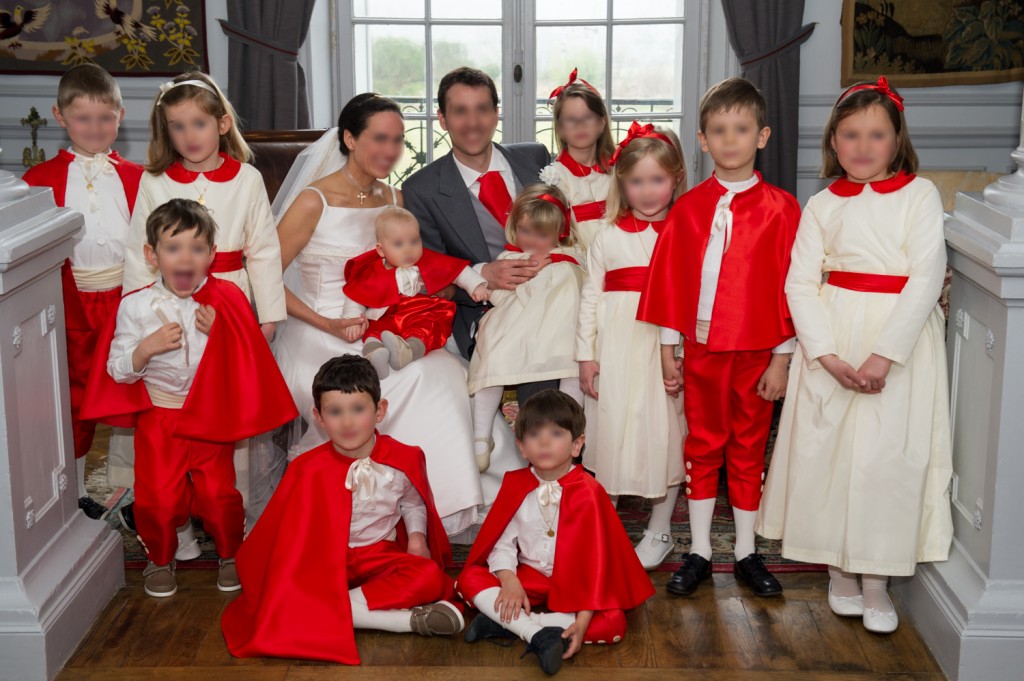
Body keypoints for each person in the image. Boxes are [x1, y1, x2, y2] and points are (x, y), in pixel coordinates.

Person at [273, 93, 520, 537]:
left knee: (445, 373)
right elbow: (267, 279)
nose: (390, 151)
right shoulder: (314, 201)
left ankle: (452, 500)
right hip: (321, 324)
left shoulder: (395, 197)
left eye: (398, 141)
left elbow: (420, 266)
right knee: (394, 382)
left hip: (389, 324)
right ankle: (380, 510)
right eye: (379, 139)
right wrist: (330, 323)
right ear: (349, 138)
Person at [756, 76, 953, 634]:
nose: (863, 146)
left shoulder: (920, 195)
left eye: (876, 135)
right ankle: (838, 569)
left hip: (899, 339)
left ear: (897, 140)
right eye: (851, 134)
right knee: (830, 454)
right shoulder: (820, 204)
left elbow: (925, 278)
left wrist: (883, 356)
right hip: (834, 334)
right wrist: (824, 354)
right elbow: (799, 283)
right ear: (834, 141)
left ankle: (877, 579)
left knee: (885, 460)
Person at [81, 199, 297, 598]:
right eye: (173, 247)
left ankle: (231, 552)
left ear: (211, 256)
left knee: (219, 495)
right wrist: (145, 349)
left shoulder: (228, 298)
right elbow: (117, 368)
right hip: (159, 418)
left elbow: (248, 364)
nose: (185, 257)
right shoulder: (135, 306)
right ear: (152, 255)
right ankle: (161, 558)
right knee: (159, 497)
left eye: (197, 248)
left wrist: (223, 334)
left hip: (210, 419)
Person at [638, 78, 800, 598]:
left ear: (762, 135)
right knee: (702, 445)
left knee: (750, 448)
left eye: (741, 129)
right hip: (702, 347)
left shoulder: (782, 209)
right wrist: (669, 349)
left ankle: (748, 551)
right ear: (703, 140)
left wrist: (783, 359)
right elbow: (671, 281)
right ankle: (702, 550)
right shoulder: (686, 210)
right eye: (718, 130)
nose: (730, 140)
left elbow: (790, 288)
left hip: (758, 350)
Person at [116, 71, 287, 541]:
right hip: (169, 301)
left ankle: (233, 513)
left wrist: (267, 318)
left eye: (199, 124)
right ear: (164, 130)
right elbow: (139, 250)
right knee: (174, 413)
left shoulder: (247, 178)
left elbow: (264, 248)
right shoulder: (155, 180)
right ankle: (180, 519)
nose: (190, 136)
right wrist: (143, 311)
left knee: (226, 412)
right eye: (177, 126)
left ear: (223, 123)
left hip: (229, 301)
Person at [222, 355, 463, 664]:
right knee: (283, 594)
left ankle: (328, 609)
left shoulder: (404, 457)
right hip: (323, 561)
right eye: (335, 412)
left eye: (358, 409)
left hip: (378, 555)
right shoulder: (307, 468)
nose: (347, 423)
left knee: (429, 577)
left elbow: (412, 501)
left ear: (380, 411)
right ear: (319, 417)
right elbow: (290, 535)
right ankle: (404, 622)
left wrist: (417, 538)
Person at [458, 390, 655, 676]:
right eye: (535, 434)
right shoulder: (515, 484)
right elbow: (502, 543)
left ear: (577, 445)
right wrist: (509, 579)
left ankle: (515, 625)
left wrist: (584, 617)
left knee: (613, 622)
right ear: (522, 447)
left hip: (577, 585)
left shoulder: (589, 492)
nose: (545, 441)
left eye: (556, 433)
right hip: (530, 579)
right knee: (469, 578)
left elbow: (595, 565)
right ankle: (540, 631)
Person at [21, 63, 143, 520]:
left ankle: (134, 493)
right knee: (70, 400)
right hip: (67, 302)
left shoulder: (138, 178)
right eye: (83, 118)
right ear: (60, 116)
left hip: (127, 299)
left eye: (105, 117)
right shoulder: (37, 183)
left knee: (133, 397)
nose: (95, 128)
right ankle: (69, 490)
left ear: (120, 115)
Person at [576, 122, 686, 571]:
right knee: (612, 428)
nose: (647, 191)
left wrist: (677, 352)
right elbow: (590, 297)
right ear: (621, 182)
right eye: (637, 181)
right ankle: (604, 520)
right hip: (618, 345)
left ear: (676, 178)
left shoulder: (683, 231)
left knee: (665, 430)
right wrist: (587, 353)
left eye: (657, 180)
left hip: (664, 346)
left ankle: (660, 529)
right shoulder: (607, 235)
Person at [402, 67, 550, 375]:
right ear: (442, 118)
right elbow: (432, 273)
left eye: (482, 109)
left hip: (554, 299)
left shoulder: (535, 159)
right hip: (484, 314)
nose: (472, 123)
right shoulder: (422, 189)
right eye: (460, 112)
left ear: (496, 113)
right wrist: (481, 274)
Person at [468, 186, 585, 473]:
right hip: (522, 334)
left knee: (573, 372)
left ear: (559, 232)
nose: (532, 241)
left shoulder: (573, 257)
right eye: (525, 231)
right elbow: (500, 295)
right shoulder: (511, 259)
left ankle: (572, 438)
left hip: (564, 335)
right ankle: (480, 437)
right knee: (492, 362)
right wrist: (495, 281)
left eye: (542, 235)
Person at [341, 206, 489, 377]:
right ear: (381, 250)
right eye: (398, 244)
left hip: (423, 310)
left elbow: (457, 271)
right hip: (389, 313)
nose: (408, 249)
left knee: (426, 328)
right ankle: (375, 353)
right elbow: (357, 294)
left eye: (414, 241)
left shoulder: (428, 259)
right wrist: (352, 320)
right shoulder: (374, 270)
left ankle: (409, 350)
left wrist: (476, 285)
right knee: (376, 328)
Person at [538, 68, 614, 250]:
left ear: (602, 123)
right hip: (578, 259)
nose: (580, 125)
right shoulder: (556, 177)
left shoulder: (617, 169)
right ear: (561, 128)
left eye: (587, 117)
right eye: (571, 120)